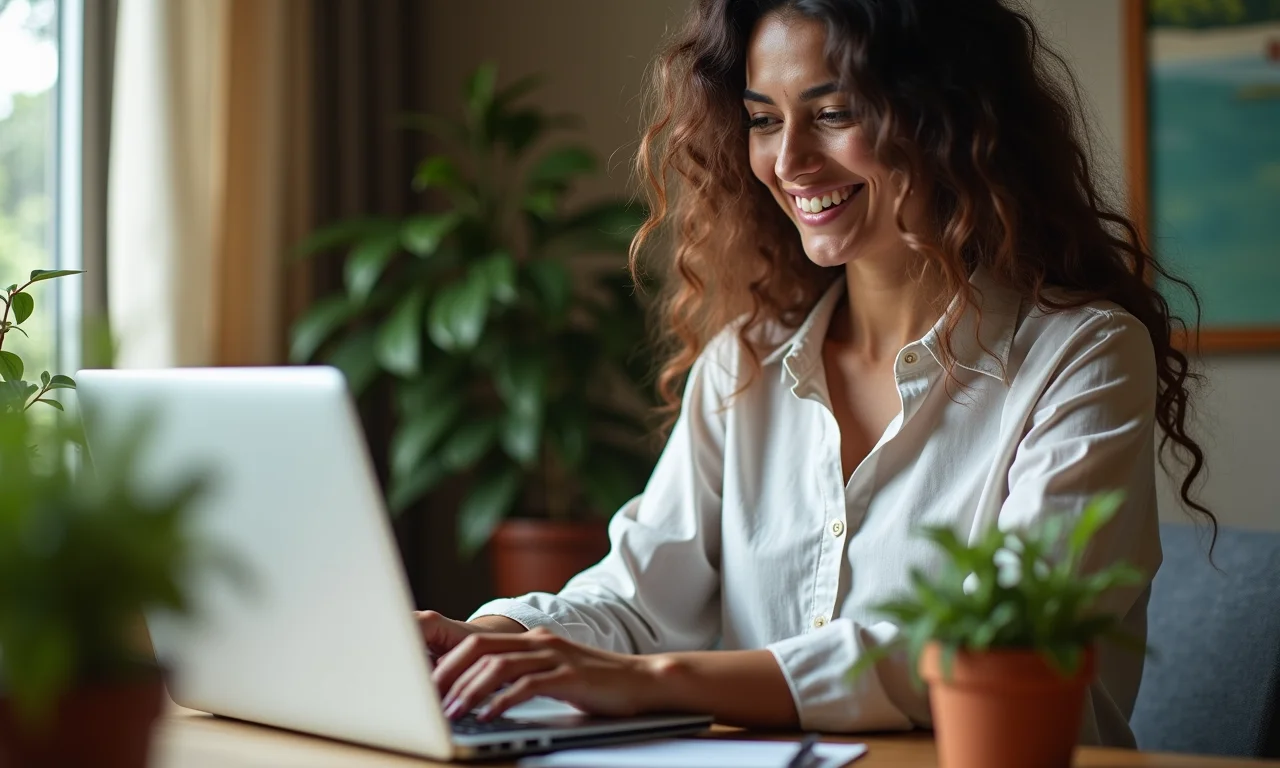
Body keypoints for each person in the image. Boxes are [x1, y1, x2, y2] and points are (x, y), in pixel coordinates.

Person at [416, 0, 1215, 747]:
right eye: (764, 121)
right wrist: (490, 640)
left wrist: (651, 682)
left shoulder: (1083, 356)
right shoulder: (746, 362)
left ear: (948, 120)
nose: (789, 160)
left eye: (834, 114)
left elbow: (998, 646)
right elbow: (634, 595)